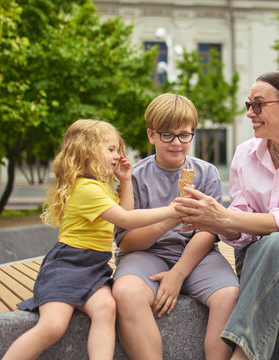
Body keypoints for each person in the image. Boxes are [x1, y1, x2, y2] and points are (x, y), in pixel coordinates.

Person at [174, 70, 279, 360]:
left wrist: (222, 218)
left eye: (259, 105)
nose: (250, 114)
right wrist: (216, 221)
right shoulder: (245, 153)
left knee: (277, 244)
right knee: (276, 283)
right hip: (256, 252)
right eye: (248, 105)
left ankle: (241, 354)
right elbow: (240, 225)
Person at [2, 119, 185, 360]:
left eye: (118, 150)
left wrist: (126, 181)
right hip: (67, 265)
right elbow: (128, 220)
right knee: (54, 325)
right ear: (86, 153)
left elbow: (124, 218)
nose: (117, 156)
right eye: (110, 150)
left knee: (106, 308)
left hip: (93, 267)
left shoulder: (99, 187)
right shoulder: (86, 189)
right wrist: (173, 211)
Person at [111, 93, 239, 360]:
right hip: (145, 254)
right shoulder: (133, 177)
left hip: (196, 253)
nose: (176, 143)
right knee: (125, 292)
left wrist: (178, 274)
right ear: (151, 135)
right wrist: (171, 217)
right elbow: (126, 241)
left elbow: (208, 231)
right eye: (167, 135)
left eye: (184, 135)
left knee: (229, 295)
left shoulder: (206, 173)